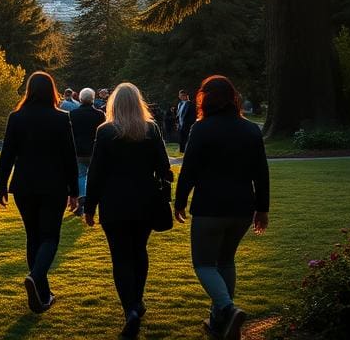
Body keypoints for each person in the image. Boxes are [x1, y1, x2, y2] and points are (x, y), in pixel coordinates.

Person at [174, 75, 270, 340]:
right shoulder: (250, 130)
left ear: (204, 98)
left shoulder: (202, 129)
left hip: (209, 206)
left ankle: (227, 309)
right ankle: (220, 320)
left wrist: (180, 202)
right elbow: (261, 173)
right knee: (226, 261)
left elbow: (189, 170)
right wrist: (262, 209)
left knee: (204, 264)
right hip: (241, 207)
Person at [84, 83, 173, 338]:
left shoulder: (105, 132)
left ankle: (130, 309)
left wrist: (89, 207)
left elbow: (96, 173)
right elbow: (164, 167)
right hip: (145, 200)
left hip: (114, 203)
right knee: (138, 251)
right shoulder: (151, 129)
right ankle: (138, 299)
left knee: (120, 256)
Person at [0, 71, 79, 314]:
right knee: (50, 237)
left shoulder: (16, 117)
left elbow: (7, 154)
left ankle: (42, 293)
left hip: (24, 185)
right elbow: (69, 157)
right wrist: (74, 191)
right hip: (53, 185)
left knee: (33, 237)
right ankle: (36, 278)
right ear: (52, 90)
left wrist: (1, 185)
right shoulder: (61, 118)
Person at [68, 87, 105, 216]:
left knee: (81, 175)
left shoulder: (73, 115)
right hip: (95, 150)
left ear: (80, 99)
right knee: (94, 176)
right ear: (93, 99)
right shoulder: (100, 115)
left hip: (78, 150)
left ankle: (82, 198)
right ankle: (94, 200)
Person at [177, 88, 197, 153]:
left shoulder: (191, 104)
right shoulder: (180, 104)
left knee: (188, 140)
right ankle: (183, 152)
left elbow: (193, 116)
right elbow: (179, 114)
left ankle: (189, 152)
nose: (181, 97)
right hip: (181, 125)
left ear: (186, 96)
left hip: (188, 125)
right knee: (182, 140)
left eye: (183, 95)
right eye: (180, 96)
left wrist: (190, 124)